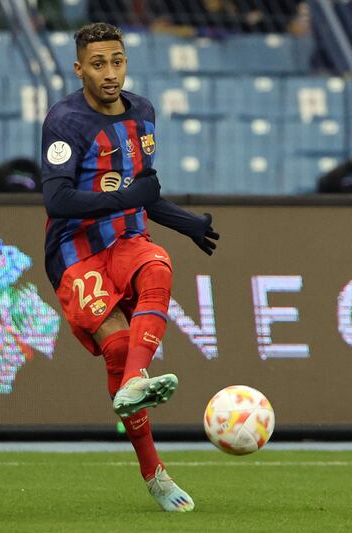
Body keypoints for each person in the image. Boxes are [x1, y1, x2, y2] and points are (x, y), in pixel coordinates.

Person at [41, 22, 219, 513]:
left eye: (117, 61)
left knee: (158, 265)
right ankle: (154, 473)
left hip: (126, 237)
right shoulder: (64, 122)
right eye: (98, 64)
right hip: (74, 251)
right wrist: (127, 196)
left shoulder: (143, 112)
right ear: (79, 69)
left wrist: (184, 222)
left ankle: (137, 382)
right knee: (117, 347)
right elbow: (56, 200)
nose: (110, 73)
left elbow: (145, 192)